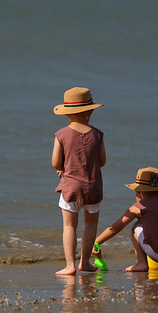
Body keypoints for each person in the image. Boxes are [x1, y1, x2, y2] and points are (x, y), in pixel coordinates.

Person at [52, 87, 107, 275]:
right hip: (93, 187)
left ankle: (70, 266)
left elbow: (54, 163)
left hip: (70, 188)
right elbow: (102, 161)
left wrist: (62, 168)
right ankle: (85, 262)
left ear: (67, 114)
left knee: (69, 226)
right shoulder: (98, 134)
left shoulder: (61, 135)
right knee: (90, 225)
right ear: (91, 111)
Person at [92, 167, 158, 272]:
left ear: (139, 193)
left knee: (136, 226)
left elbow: (115, 228)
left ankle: (141, 263)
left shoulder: (138, 206)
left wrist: (96, 242)